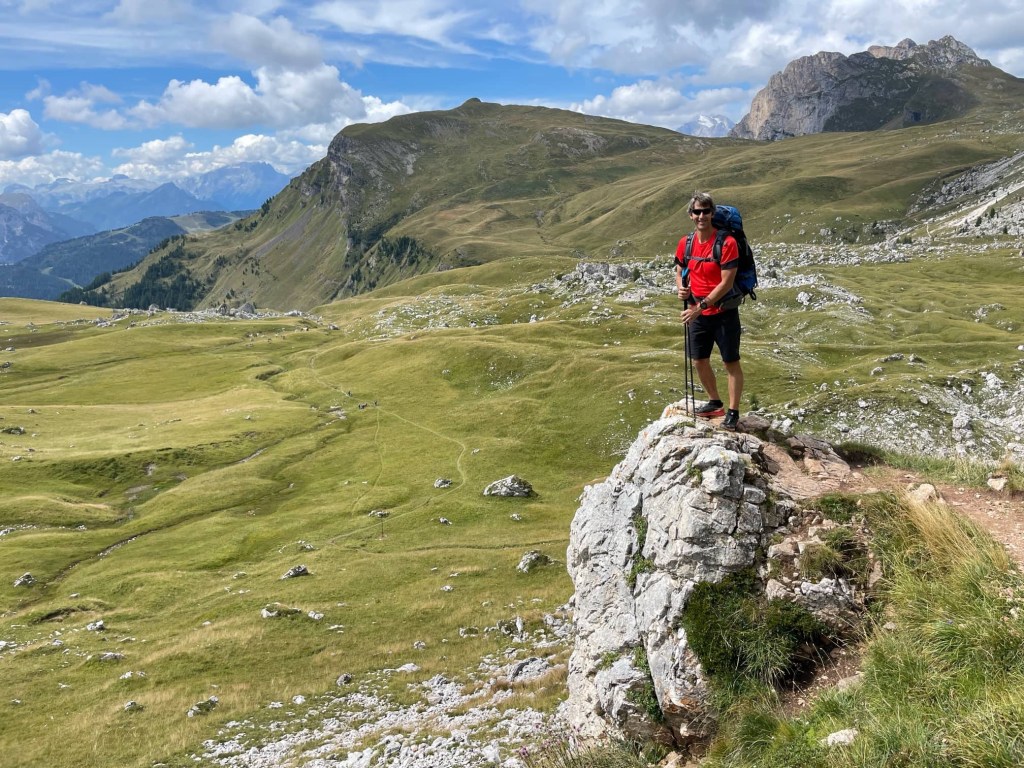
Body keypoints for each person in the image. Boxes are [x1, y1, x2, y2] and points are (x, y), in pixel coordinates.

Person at [675, 191, 744, 431]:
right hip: (697, 312)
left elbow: (726, 282)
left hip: (723, 312)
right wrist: (681, 288)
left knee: (730, 362)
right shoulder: (686, 243)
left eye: (706, 211)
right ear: (691, 215)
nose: (701, 216)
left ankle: (733, 412)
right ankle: (715, 403)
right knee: (698, 360)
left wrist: (701, 307)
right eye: (697, 212)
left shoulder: (727, 243)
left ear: (712, 213)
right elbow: (680, 269)